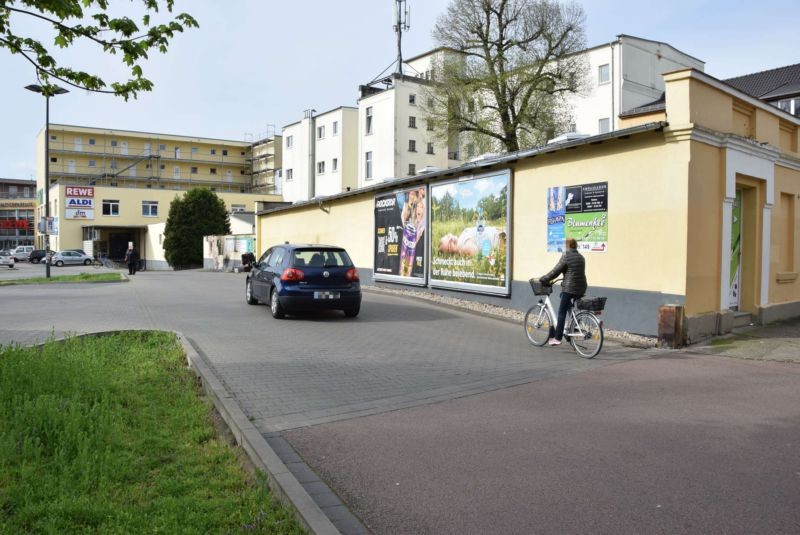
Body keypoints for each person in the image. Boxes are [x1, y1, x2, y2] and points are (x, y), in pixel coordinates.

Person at [540, 238, 587, 346]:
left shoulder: (566, 256)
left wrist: (544, 279)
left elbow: (556, 271)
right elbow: (575, 273)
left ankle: (557, 338)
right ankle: (574, 325)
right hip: (581, 287)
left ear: (567, 246)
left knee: (561, 312)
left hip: (569, 287)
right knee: (568, 304)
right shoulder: (581, 257)